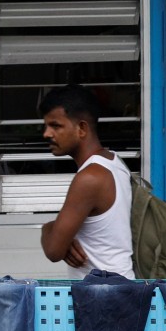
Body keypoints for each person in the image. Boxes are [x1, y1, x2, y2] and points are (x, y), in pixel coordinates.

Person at [39, 84, 134, 279]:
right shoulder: (113, 162)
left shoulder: (90, 178)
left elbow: (54, 251)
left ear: (82, 128)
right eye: (46, 126)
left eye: (56, 125)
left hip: (104, 297)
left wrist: (48, 228)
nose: (46, 134)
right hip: (118, 290)